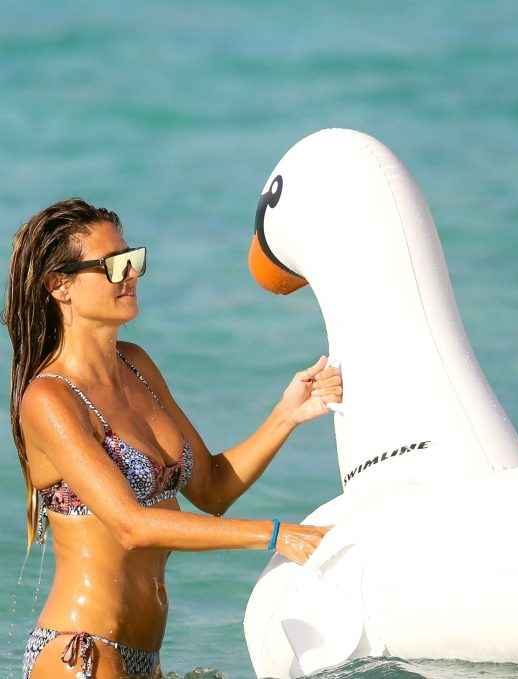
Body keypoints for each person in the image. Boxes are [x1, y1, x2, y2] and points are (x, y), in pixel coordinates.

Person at [5, 198, 341, 679]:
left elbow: (213, 489)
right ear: (60, 286)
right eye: (113, 265)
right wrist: (276, 535)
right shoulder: (48, 399)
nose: (130, 274)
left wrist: (286, 415)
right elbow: (131, 525)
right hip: (81, 653)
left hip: (147, 657)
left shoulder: (137, 365)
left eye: (132, 259)